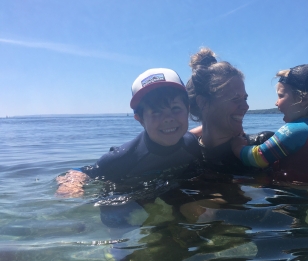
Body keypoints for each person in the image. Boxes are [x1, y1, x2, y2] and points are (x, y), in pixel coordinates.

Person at [55, 67, 201, 200]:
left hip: (169, 189)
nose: (168, 119)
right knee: (116, 226)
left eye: (175, 108)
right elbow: (81, 171)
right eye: (156, 112)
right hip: (125, 195)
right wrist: (70, 186)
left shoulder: (192, 143)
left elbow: (202, 132)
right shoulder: (123, 157)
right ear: (140, 119)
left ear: (187, 109)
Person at [231, 64, 308, 183]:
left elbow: (259, 157)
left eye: (281, 96)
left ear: (303, 99)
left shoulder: (295, 130)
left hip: (290, 192)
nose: (276, 103)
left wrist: (237, 147)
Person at [185, 47, 255, 173]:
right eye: (235, 98)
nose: (246, 106)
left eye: (245, 98)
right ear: (203, 102)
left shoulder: (260, 149)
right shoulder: (185, 157)